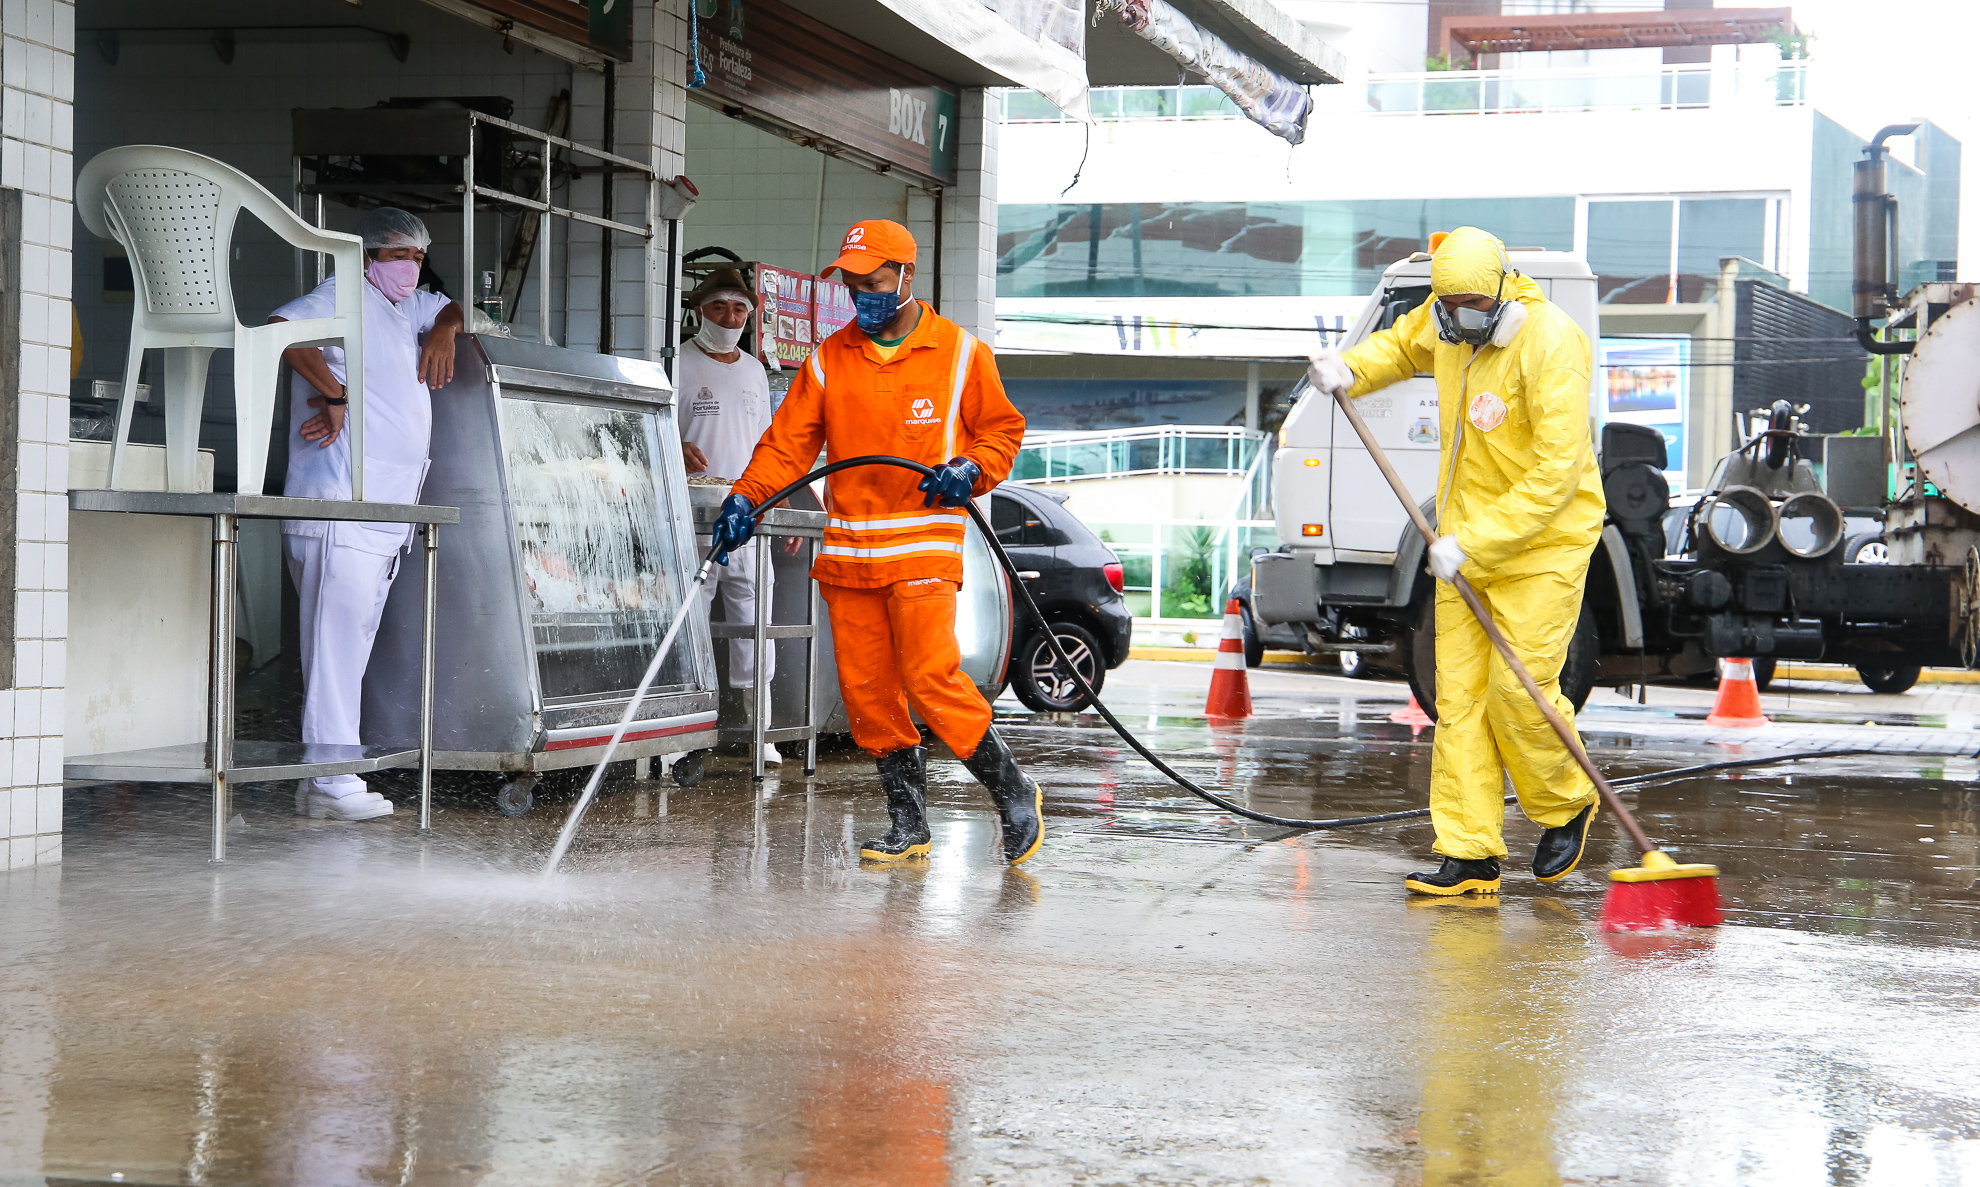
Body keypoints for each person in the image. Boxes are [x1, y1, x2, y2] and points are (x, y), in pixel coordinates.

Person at [710, 219, 1042, 866]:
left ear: (906, 277)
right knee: (868, 695)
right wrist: (746, 497)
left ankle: (1014, 789)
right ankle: (908, 823)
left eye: (874, 281)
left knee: (930, 678)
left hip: (921, 552)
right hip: (850, 559)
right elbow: (787, 446)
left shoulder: (960, 354)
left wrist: (971, 469)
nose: (862, 293)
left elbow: (1002, 431)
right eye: (853, 282)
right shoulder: (830, 360)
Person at [1307, 226, 1605, 895]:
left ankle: (1566, 802)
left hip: (1544, 544)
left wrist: (1477, 539)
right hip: (1467, 541)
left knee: (1517, 691)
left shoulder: (1551, 342)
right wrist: (1350, 367)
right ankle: (1470, 853)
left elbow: (1556, 475)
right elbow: (1400, 344)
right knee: (1461, 699)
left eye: (1474, 303)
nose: (1462, 316)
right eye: (1452, 304)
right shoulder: (1446, 326)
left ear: (1504, 287)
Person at [270, 207, 464, 821]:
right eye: (399, 255)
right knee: (333, 649)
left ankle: (318, 780)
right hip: (338, 506)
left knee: (347, 649)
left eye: (417, 256)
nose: (411, 266)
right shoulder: (343, 294)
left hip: (381, 510)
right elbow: (282, 329)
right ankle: (332, 780)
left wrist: (445, 331)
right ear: (368, 257)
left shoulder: (407, 308)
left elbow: (452, 309)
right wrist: (334, 393)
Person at [676, 269, 779, 764]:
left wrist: (777, 504)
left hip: (750, 505)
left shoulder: (755, 370)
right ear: (700, 311)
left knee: (754, 612)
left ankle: (761, 728)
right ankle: (682, 730)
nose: (730, 317)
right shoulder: (677, 363)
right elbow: (645, 429)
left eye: (739, 309)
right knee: (692, 609)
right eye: (720, 308)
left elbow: (771, 446)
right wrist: (675, 447)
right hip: (692, 510)